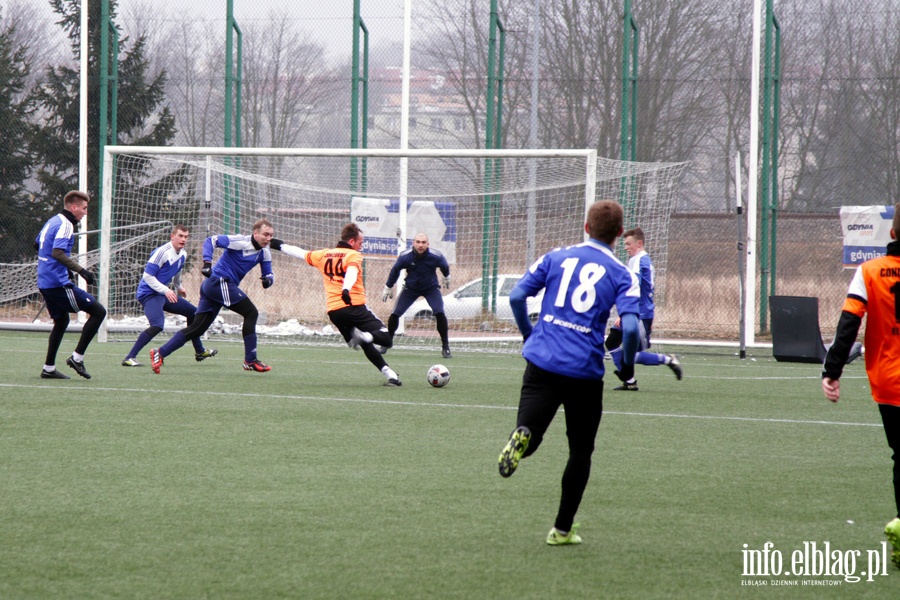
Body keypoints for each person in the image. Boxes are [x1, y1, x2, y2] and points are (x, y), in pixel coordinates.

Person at [497, 200, 640, 545]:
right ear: (620, 234)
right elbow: (632, 331)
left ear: (586, 227)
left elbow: (517, 297)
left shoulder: (556, 256)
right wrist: (627, 365)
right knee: (580, 451)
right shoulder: (623, 273)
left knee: (529, 432)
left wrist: (529, 334)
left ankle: (523, 435)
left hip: (542, 362)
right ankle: (562, 529)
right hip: (584, 372)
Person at [822, 203, 900, 569]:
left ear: (893, 233)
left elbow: (849, 323)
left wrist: (832, 370)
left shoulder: (869, 271)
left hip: (890, 381)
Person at [271, 223, 402, 386]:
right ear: (352, 241)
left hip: (335, 312)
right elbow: (352, 272)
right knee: (386, 338)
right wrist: (346, 289)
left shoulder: (324, 255)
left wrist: (279, 245)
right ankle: (366, 337)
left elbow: (300, 253)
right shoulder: (353, 255)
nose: (361, 247)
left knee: (365, 343)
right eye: (360, 243)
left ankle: (391, 375)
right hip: (353, 306)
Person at [150, 219, 275, 374]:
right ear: (255, 233)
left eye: (270, 235)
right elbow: (211, 240)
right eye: (265, 234)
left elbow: (268, 273)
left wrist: (268, 280)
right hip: (219, 282)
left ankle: (160, 353)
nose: (268, 238)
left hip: (214, 288)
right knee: (251, 313)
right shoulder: (240, 241)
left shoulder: (265, 252)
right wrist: (207, 262)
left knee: (196, 329)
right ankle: (250, 360)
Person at [34, 190, 107, 380]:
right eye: (83, 208)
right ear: (74, 207)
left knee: (62, 321)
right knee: (99, 311)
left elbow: (38, 245)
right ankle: (77, 358)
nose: (85, 212)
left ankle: (48, 368)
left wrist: (57, 267)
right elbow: (57, 252)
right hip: (57, 284)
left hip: (45, 281)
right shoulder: (66, 224)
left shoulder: (53, 221)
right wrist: (81, 271)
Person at [121, 225, 217, 367]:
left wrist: (178, 287)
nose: (183, 239)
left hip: (163, 293)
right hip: (149, 294)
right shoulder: (162, 252)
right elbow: (147, 276)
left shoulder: (183, 254)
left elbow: (177, 271)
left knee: (193, 313)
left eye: (186, 236)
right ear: (172, 236)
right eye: (180, 236)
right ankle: (129, 358)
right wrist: (166, 290)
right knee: (158, 325)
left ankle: (199, 351)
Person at [605, 227, 682, 390]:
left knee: (631, 355)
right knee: (612, 342)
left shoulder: (639, 259)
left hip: (638, 313)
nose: (626, 247)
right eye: (624, 244)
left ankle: (669, 360)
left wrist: (625, 311)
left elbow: (634, 286)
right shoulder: (639, 259)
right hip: (637, 311)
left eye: (628, 244)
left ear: (639, 243)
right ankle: (630, 382)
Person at [382, 232, 452, 358]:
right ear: (413, 243)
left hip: (431, 288)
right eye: (418, 242)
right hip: (411, 289)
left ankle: (445, 346)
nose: (420, 245)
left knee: (439, 313)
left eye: (423, 242)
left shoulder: (436, 256)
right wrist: (388, 286)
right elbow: (395, 270)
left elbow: (444, 266)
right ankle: (387, 342)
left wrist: (447, 277)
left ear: (428, 244)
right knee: (395, 314)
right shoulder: (405, 256)